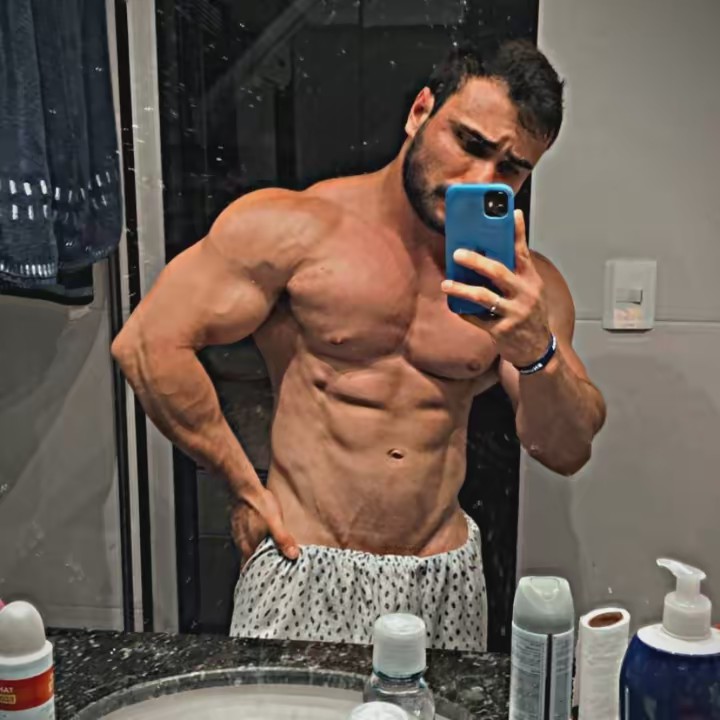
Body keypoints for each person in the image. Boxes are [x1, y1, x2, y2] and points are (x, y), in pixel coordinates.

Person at [112, 40, 606, 651]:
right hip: (301, 561)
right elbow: (148, 344)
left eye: (511, 168)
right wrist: (243, 485)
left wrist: (536, 350)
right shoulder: (294, 228)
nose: (480, 178)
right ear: (420, 111)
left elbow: (566, 449)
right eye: (470, 143)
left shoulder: (524, 287)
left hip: (441, 577)